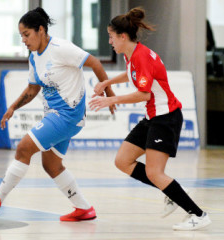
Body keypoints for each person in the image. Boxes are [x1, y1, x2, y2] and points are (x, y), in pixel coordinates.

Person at [0, 7, 116, 222]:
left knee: (24, 148)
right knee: (51, 165)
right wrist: (12, 108)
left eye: (27, 34)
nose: (24, 40)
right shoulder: (34, 57)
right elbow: (32, 89)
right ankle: (83, 209)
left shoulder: (61, 48)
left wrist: (109, 93)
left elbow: (95, 63)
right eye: (21, 36)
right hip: (55, 116)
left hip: (68, 114)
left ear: (41, 30)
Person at [89, 7, 212, 230]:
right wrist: (107, 83)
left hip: (166, 117)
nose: (110, 41)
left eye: (111, 36)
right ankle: (170, 192)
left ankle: (198, 214)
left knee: (154, 172)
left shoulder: (142, 57)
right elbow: (131, 74)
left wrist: (110, 100)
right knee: (122, 161)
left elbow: (143, 94)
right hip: (152, 116)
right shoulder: (132, 54)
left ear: (123, 36)